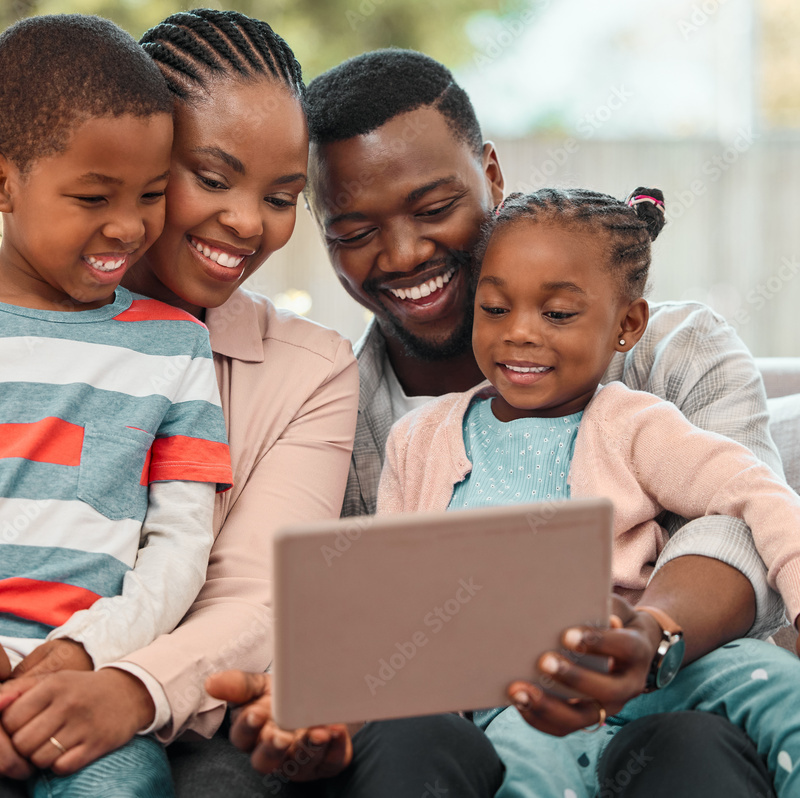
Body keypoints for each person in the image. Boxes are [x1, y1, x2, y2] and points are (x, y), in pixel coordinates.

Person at [0, 9, 366, 798]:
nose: (246, 221)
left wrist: (115, 678)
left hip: (127, 692)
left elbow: (236, 590)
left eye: (281, 195)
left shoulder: (226, 359)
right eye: (205, 179)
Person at [211, 49, 785, 795]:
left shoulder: (676, 354)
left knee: (691, 745)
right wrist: (317, 716)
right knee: (409, 735)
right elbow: (358, 624)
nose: (406, 252)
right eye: (354, 230)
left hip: (674, 712)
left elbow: (740, 521)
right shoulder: (337, 420)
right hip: (452, 735)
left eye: (432, 207)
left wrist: (650, 637)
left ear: (490, 174)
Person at [379, 185, 800, 796]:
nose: (518, 334)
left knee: (774, 682)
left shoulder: (634, 424)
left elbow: (752, 489)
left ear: (627, 325)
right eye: (495, 309)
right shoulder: (416, 441)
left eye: (557, 314)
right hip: (521, 693)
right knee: (532, 771)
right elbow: (389, 592)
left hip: (652, 667)